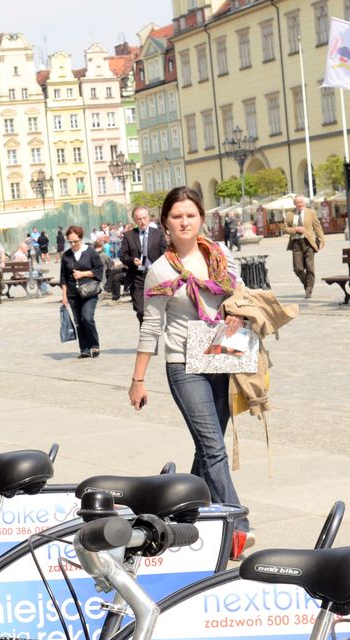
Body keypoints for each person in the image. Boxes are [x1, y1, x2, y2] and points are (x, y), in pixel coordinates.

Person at [131, 186, 245, 515]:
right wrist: (138, 380)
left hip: (221, 354)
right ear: (165, 223)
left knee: (209, 448)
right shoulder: (161, 271)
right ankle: (235, 522)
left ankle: (182, 509)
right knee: (213, 446)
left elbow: (237, 297)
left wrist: (236, 311)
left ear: (201, 218)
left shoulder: (220, 256)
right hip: (184, 364)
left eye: (190, 215)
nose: (184, 222)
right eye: (177, 217)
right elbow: (151, 327)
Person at [60, 224, 104, 359]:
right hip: (73, 293)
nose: (73, 244)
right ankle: (84, 349)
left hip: (89, 291)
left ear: (81, 238)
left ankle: (94, 345)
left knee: (87, 318)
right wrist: (64, 296)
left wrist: (82, 274)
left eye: (75, 241)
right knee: (78, 321)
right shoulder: (66, 255)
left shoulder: (90, 252)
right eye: (70, 242)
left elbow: (99, 270)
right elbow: (63, 278)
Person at [120, 205, 167, 324]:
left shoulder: (158, 233)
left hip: (154, 276)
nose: (142, 221)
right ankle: (145, 335)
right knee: (141, 311)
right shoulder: (129, 236)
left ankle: (152, 335)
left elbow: (165, 253)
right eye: (139, 219)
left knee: (154, 311)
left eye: (144, 218)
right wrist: (132, 261)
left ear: (149, 218)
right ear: (135, 220)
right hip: (137, 277)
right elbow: (123, 256)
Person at [282, 195, 324, 298]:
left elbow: (317, 227)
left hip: (308, 242)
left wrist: (322, 239)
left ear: (304, 202)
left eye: (301, 202)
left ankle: (308, 290)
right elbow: (285, 228)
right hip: (296, 243)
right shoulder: (290, 214)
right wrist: (295, 229)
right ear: (294, 204)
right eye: (297, 203)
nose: (300, 204)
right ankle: (307, 284)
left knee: (310, 268)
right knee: (298, 269)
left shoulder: (311, 213)